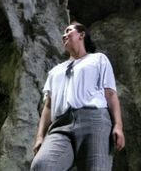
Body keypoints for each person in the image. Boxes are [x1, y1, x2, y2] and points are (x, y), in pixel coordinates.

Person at [30, 22, 125, 171]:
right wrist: (40, 136)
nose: (64, 35)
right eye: (63, 33)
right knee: (41, 166)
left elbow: (110, 94)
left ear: (81, 35)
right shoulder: (55, 71)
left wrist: (118, 126)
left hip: (94, 120)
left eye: (68, 31)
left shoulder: (98, 59)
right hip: (60, 126)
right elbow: (48, 105)